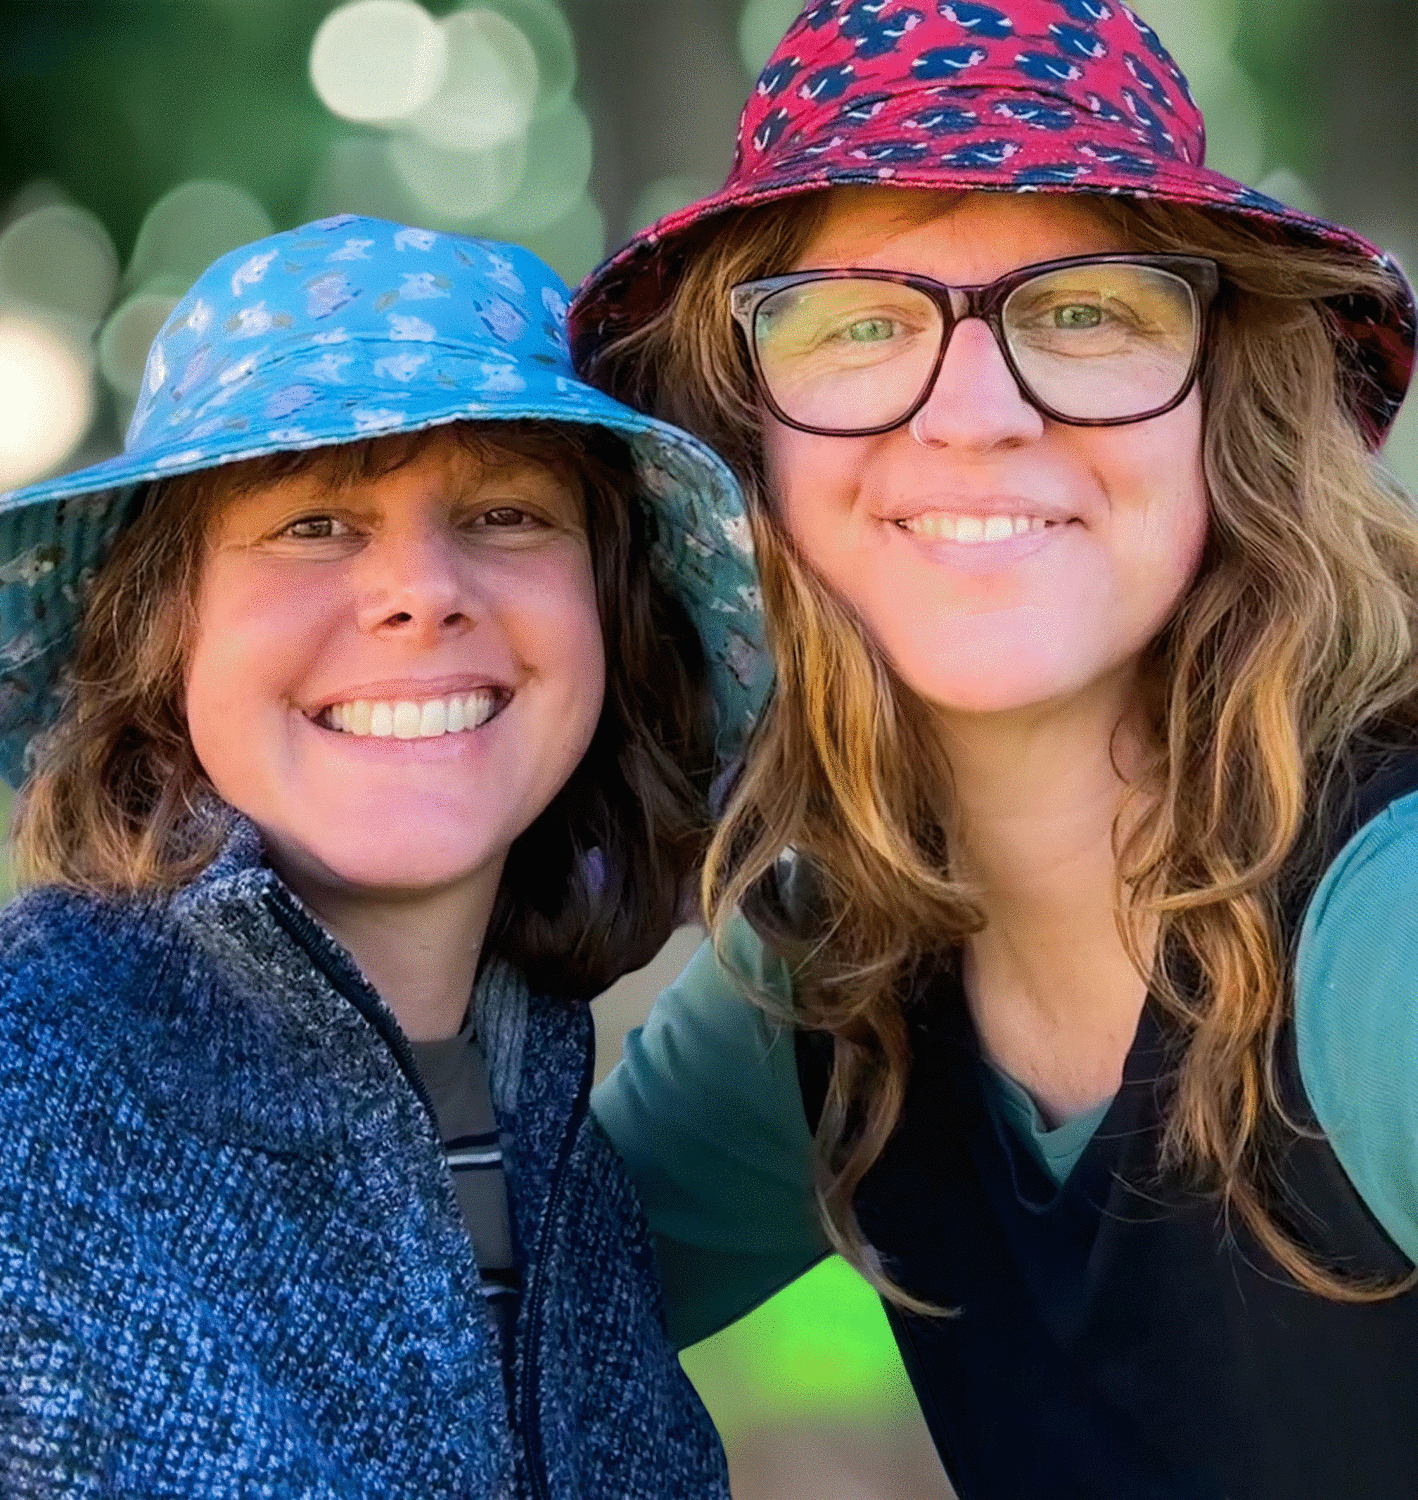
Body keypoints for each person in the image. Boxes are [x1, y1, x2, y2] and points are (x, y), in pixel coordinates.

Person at [572, 3, 1418, 1497]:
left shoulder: (1389, 942)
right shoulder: (834, 974)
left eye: (1084, 310)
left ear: (1232, 398)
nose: (976, 415)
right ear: (745, 437)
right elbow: (476, 1319)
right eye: (859, 322)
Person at [0, 214, 746, 1498]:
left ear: (612, 616)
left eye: (508, 511)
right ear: (161, 627)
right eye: (313, 521)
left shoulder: (566, 1166)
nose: (421, 589)